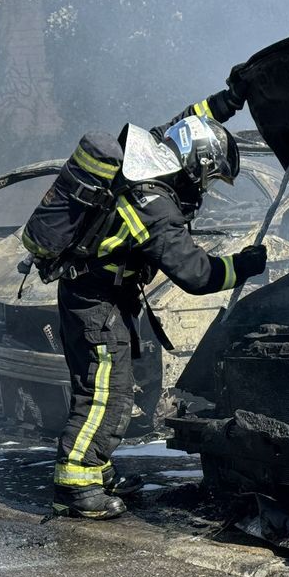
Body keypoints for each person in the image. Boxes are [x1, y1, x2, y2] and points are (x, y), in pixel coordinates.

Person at [49, 90, 267, 520]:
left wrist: (229, 100)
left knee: (99, 389)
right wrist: (242, 266)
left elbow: (189, 121)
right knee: (104, 396)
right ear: (195, 164)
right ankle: (76, 486)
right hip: (98, 303)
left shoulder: (148, 152)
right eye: (208, 178)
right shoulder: (157, 207)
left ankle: (97, 471)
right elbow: (197, 275)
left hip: (91, 294)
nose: (203, 188)